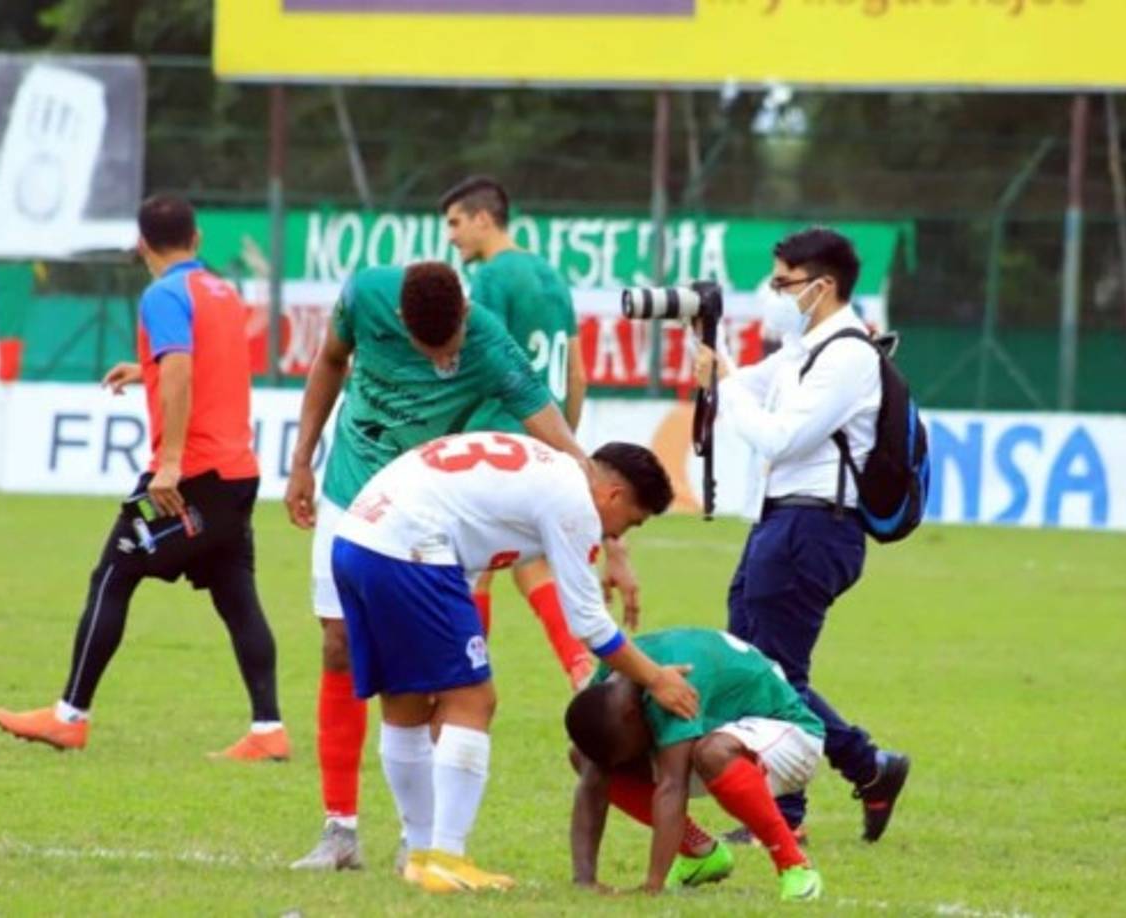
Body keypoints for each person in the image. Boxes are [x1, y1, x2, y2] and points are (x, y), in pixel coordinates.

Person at [285, 260, 628, 870]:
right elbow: (330, 362)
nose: (446, 363)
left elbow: (552, 427)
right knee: (338, 647)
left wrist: (599, 506)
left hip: (431, 519)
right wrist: (302, 458)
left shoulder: (490, 341)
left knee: (448, 679)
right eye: (430, 353)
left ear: (466, 316)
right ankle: (340, 829)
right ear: (400, 327)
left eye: (453, 352)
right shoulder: (364, 296)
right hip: (352, 494)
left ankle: (426, 841)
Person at [330, 435, 696, 892]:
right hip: (410, 550)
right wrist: (656, 678)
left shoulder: (551, 470)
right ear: (613, 495)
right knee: (474, 701)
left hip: (356, 540)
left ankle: (422, 856)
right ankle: (445, 857)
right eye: (630, 522)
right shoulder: (576, 503)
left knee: (404, 703)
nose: (618, 535)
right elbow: (590, 624)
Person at [0, 194, 287, 760]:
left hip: (194, 476)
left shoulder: (163, 294)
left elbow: (180, 368)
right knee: (237, 595)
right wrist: (145, 368)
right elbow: (198, 361)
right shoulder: (221, 290)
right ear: (198, 240)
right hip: (237, 474)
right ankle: (268, 731)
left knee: (114, 572)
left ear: (142, 245)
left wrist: (169, 462)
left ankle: (69, 716)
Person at [694, 227, 909, 844]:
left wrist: (725, 384)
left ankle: (789, 812)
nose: (772, 293)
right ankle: (867, 769)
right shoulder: (805, 346)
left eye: (782, 281)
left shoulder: (846, 355)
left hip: (816, 525)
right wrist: (717, 364)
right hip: (786, 520)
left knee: (774, 674)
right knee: (754, 664)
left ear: (824, 285)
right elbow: (750, 388)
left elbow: (782, 436)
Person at [442, 176, 597, 689]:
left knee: (473, 565)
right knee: (531, 563)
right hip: (543, 443)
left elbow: (477, 362)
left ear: (484, 218)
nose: (453, 237)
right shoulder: (552, 275)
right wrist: (564, 442)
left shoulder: (490, 278)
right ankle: (579, 664)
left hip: (496, 440)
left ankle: (469, 678)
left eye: (456, 223)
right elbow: (577, 373)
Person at [566, 628, 825, 902]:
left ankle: (795, 866)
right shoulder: (612, 675)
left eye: (621, 752)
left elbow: (672, 786)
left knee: (711, 753)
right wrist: (584, 880)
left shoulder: (676, 685)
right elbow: (595, 773)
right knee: (584, 758)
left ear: (631, 716)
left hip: (792, 738)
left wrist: (653, 886)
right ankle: (701, 854)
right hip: (726, 734)